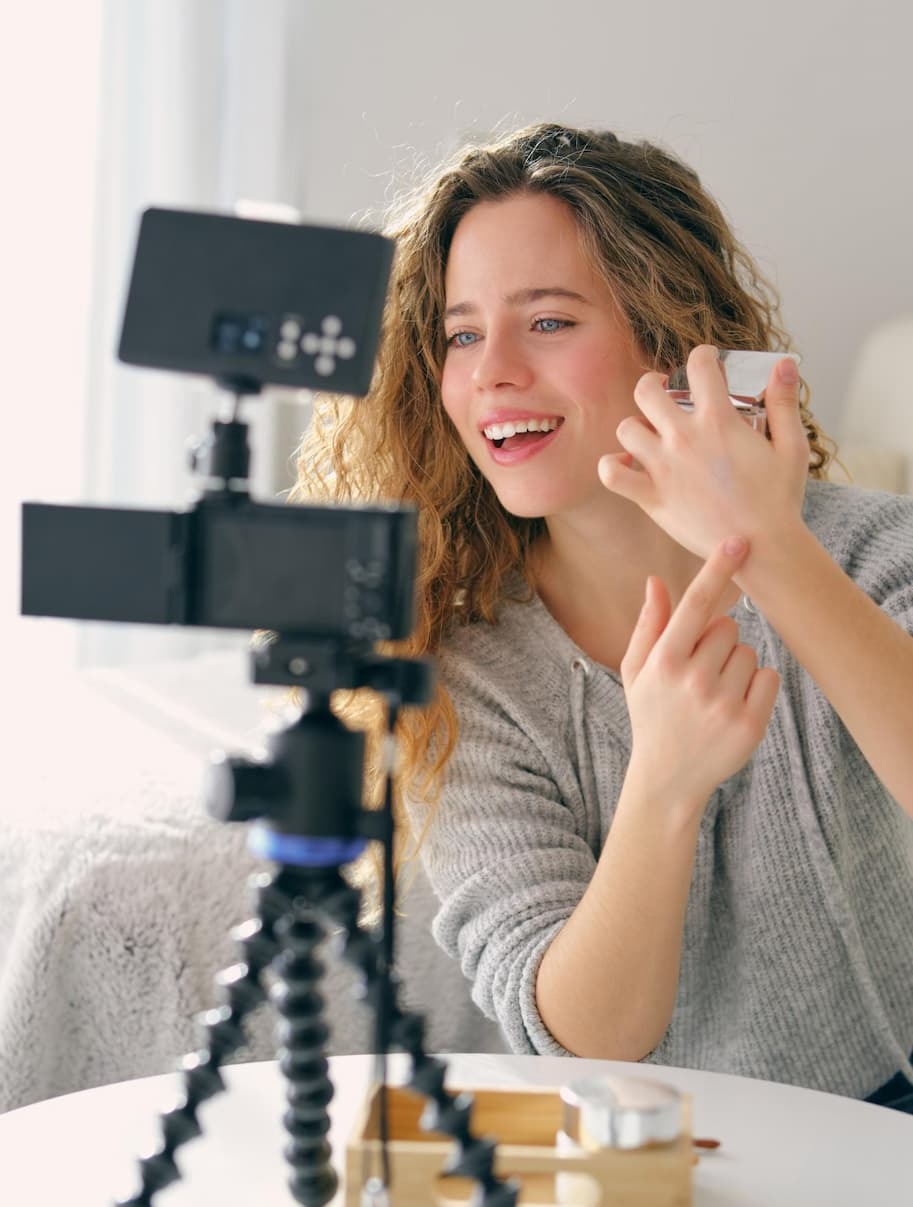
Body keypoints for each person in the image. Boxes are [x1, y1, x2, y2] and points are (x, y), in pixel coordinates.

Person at [292, 122, 913, 1109]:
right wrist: (663, 781)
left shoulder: (873, 553)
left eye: (546, 321)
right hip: (645, 1152)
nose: (490, 370)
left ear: (669, 336)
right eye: (460, 333)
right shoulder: (463, 670)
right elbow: (577, 1036)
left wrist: (774, 554)